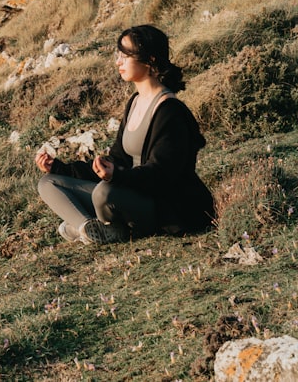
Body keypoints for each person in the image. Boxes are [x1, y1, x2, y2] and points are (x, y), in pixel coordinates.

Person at [35, 24, 215, 244]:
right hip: (126, 193)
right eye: (118, 55)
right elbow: (118, 159)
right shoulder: (135, 102)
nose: (118, 62)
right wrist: (59, 168)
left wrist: (117, 177)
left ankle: (97, 228)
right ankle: (88, 228)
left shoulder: (170, 110)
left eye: (125, 55)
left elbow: (163, 175)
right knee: (48, 183)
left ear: (149, 60)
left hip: (161, 206)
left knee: (104, 193)